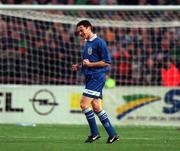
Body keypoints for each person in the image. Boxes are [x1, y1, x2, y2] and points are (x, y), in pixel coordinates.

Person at [72, 20, 119, 144]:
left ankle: (95, 133)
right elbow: (88, 61)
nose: (80, 33)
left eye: (82, 30)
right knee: (97, 107)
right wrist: (79, 66)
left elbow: (107, 62)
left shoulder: (100, 42)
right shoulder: (87, 43)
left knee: (83, 104)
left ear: (89, 28)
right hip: (90, 77)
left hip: (96, 77)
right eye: (79, 31)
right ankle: (112, 135)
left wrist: (91, 64)